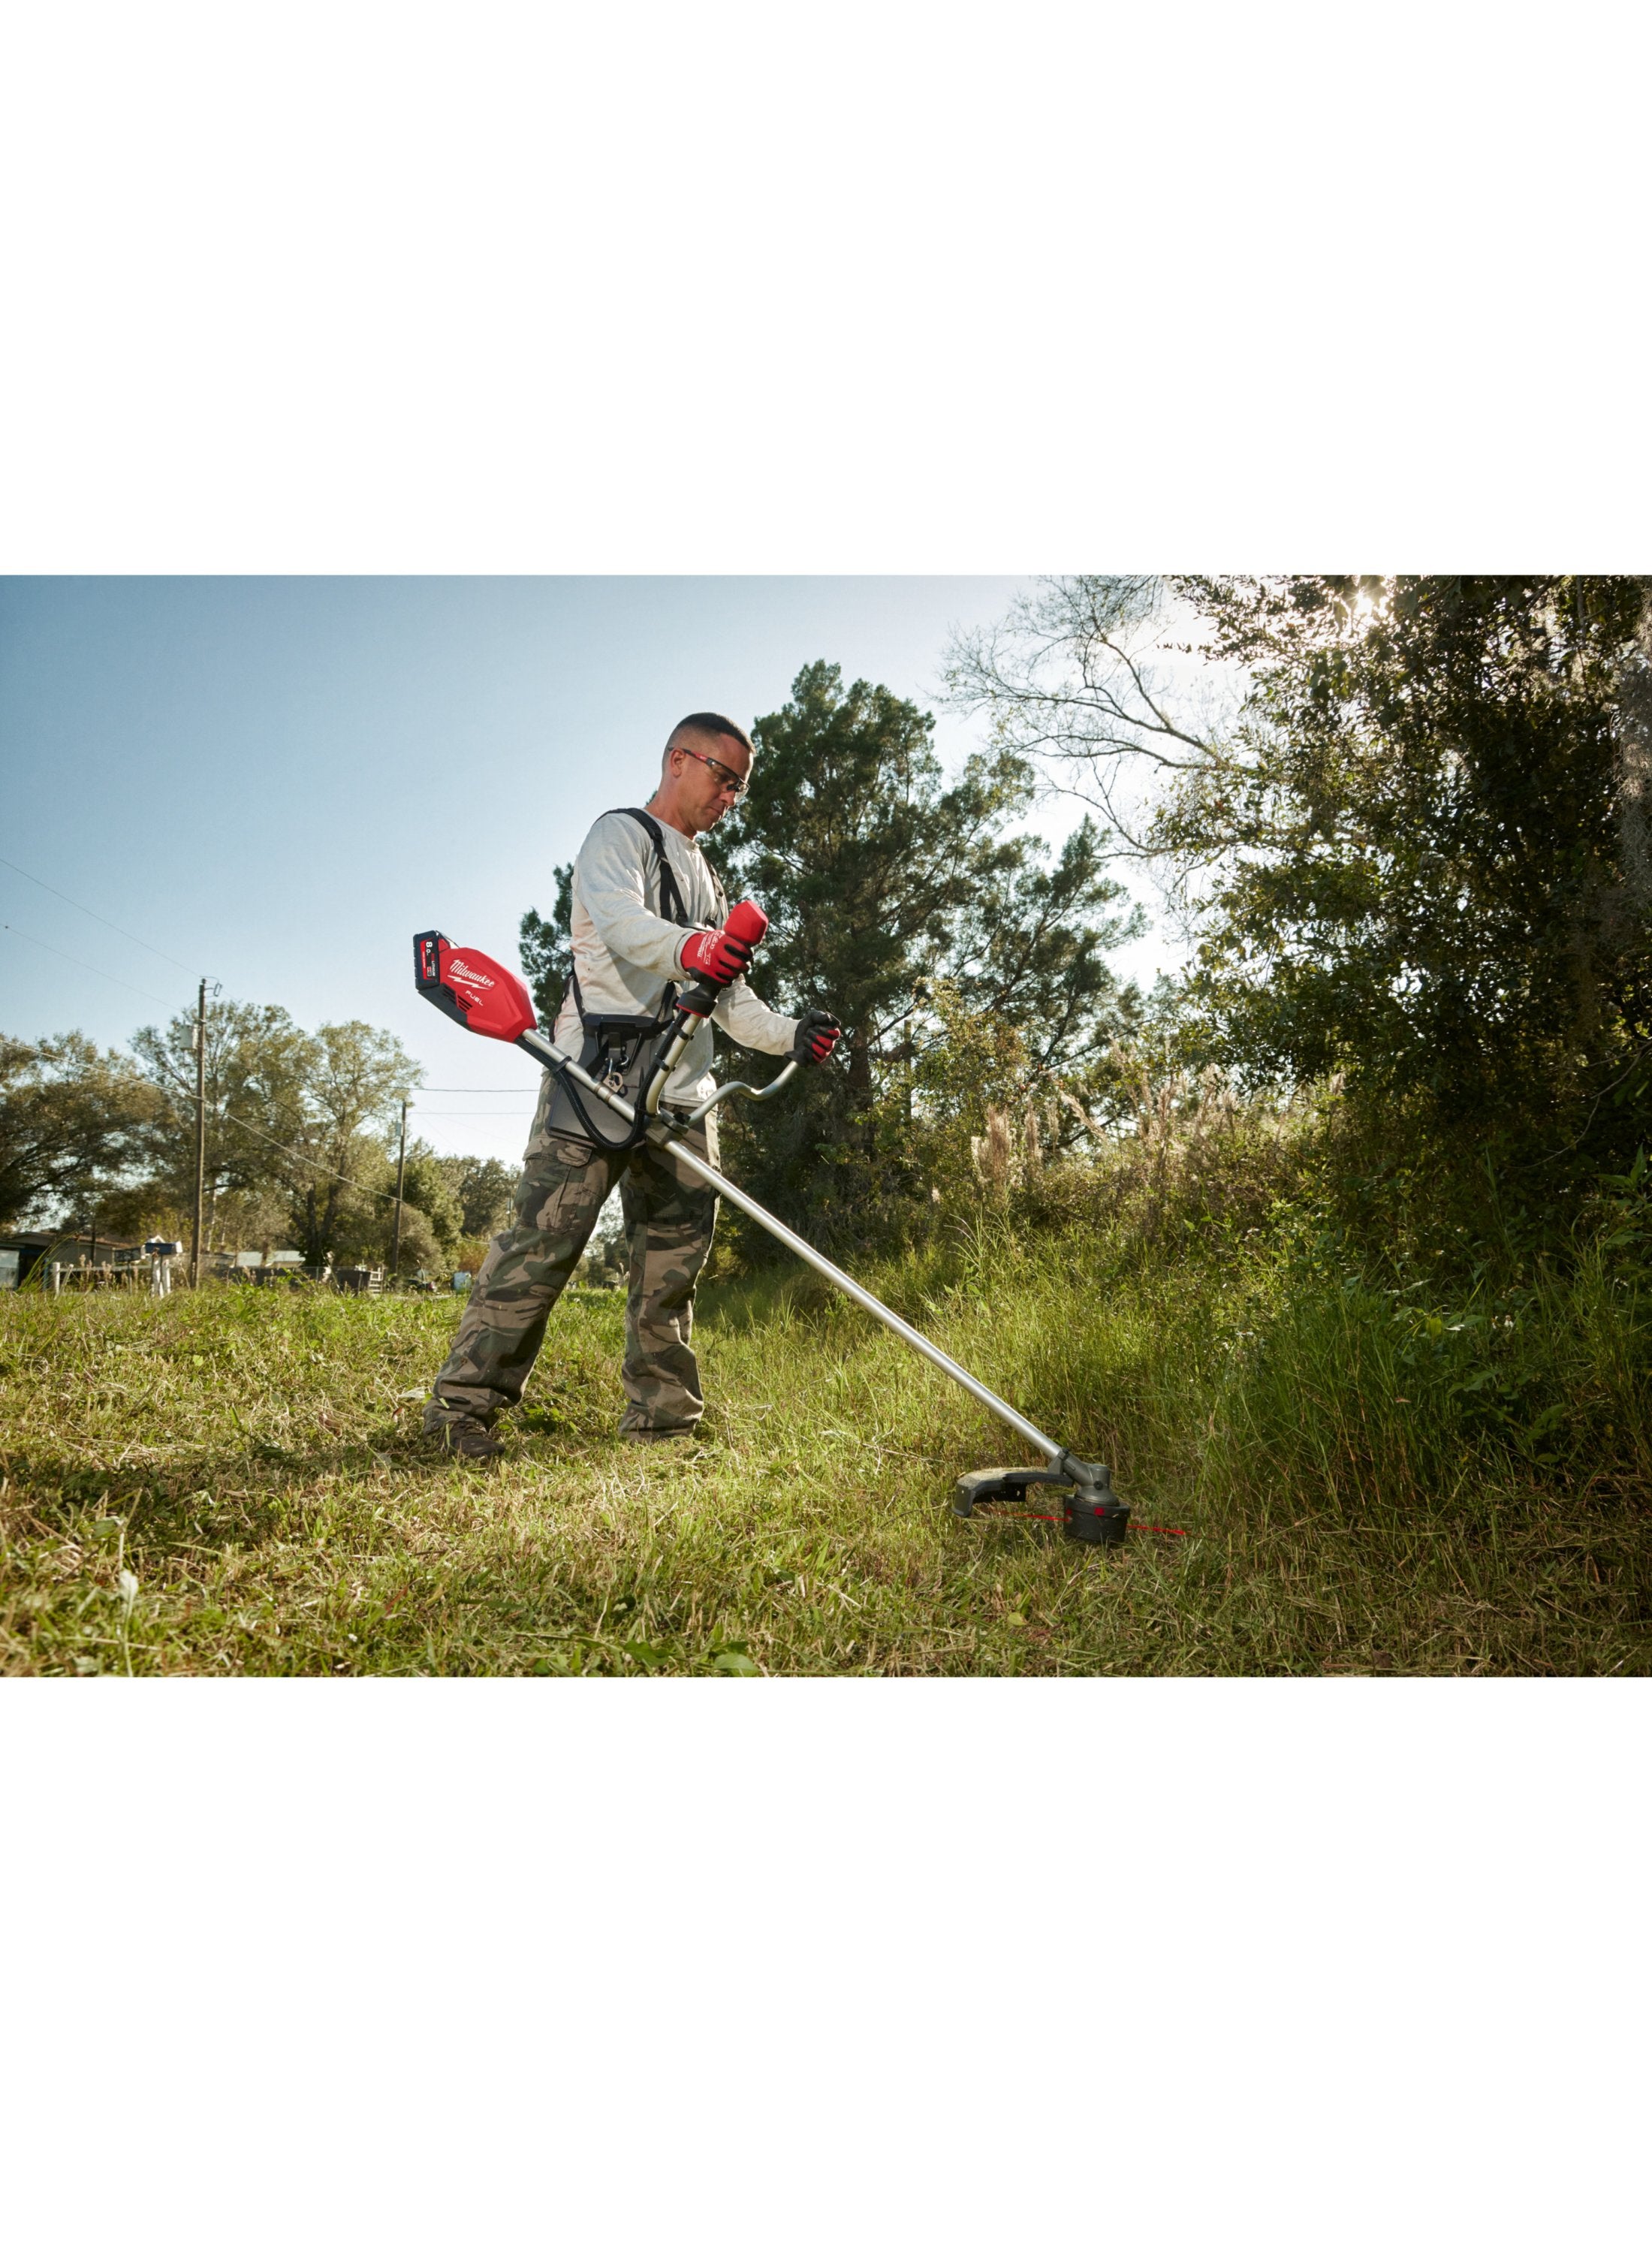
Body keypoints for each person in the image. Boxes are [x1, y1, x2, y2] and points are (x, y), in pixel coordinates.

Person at [423, 712, 841, 1463]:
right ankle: (462, 1413)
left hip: (683, 1099)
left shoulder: (710, 880)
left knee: (670, 1273)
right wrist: (700, 947)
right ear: (679, 759)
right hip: (596, 1082)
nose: (732, 799)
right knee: (537, 1253)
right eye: (725, 778)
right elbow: (623, 927)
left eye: (741, 788)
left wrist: (790, 1034)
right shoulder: (617, 837)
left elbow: (730, 998)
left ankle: (663, 1427)